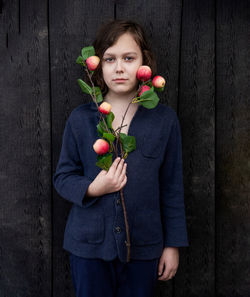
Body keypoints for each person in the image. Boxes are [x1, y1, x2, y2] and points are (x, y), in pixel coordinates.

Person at [53, 19, 189, 297]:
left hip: (144, 248)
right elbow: (63, 177)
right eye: (110, 59)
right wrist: (93, 188)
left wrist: (172, 245)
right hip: (88, 248)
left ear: (144, 63)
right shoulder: (81, 120)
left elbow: (172, 187)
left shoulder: (163, 120)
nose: (119, 67)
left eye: (129, 58)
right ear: (97, 66)